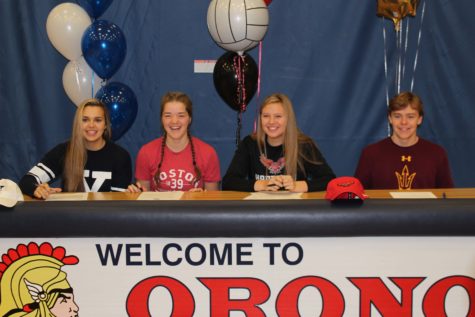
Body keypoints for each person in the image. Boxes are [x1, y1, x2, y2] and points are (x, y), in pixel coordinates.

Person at [19, 98, 132, 199]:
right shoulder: (64, 151)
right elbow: (26, 181)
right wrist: (36, 189)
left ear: (106, 125)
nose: (91, 125)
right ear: (78, 124)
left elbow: (118, 202)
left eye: (98, 120)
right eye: (85, 120)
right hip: (70, 220)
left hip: (106, 221)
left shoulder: (120, 156)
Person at [222, 93, 335, 192]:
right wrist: (262, 184)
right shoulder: (250, 143)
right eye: (266, 116)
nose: (271, 122)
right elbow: (228, 182)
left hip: (295, 211)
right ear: (260, 118)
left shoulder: (304, 145)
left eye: (278, 116)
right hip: (259, 211)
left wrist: (297, 185)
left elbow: (330, 180)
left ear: (288, 119)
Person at [354, 91, 454, 189]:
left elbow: (447, 198)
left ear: (419, 119)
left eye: (410, 116)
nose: (404, 122)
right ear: (390, 118)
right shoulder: (371, 154)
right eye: (397, 116)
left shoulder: (437, 154)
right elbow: (357, 195)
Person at [128, 91, 220, 192]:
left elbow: (212, 202)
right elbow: (143, 201)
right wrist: (136, 194)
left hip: (192, 208)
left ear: (189, 119)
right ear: (161, 119)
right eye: (168, 115)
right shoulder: (146, 153)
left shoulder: (208, 153)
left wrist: (201, 197)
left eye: (181, 115)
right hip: (158, 208)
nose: (174, 121)